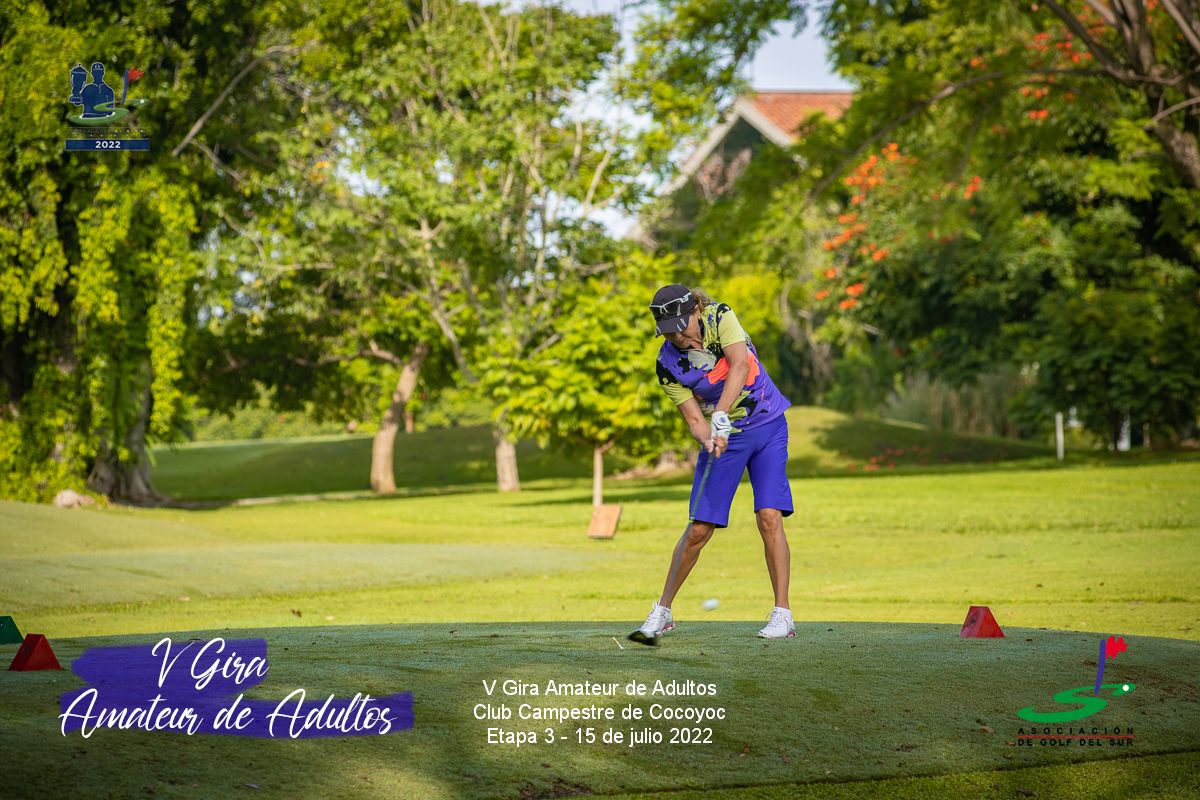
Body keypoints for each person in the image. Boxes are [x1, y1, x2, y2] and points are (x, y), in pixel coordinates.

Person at [629, 284, 796, 643]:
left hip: (768, 425)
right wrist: (709, 438)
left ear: (695, 310)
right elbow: (693, 419)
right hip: (725, 439)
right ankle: (662, 611)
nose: (677, 336)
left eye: (680, 326)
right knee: (699, 529)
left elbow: (740, 365)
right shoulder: (667, 364)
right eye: (668, 331)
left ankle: (782, 614)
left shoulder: (720, 316)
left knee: (769, 516)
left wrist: (720, 413)